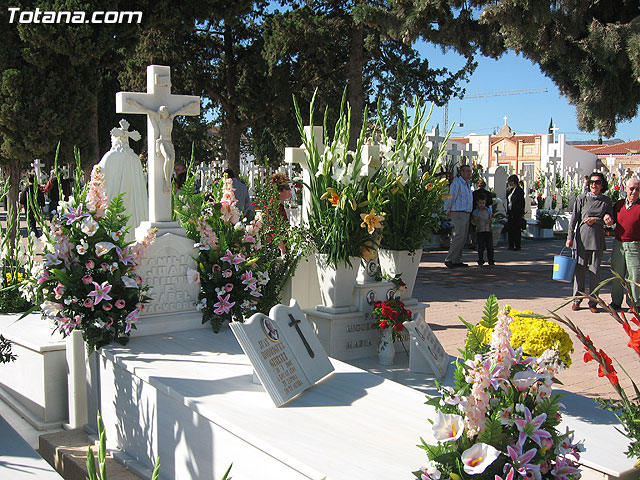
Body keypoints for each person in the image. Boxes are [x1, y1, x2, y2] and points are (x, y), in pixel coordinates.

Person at [125, 98, 198, 193]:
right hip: (162, 141)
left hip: (169, 142)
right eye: (164, 111)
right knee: (168, 158)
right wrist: (134, 103)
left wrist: (191, 105)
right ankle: (167, 182)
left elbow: (181, 110)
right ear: (161, 113)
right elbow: (145, 110)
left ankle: (167, 180)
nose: (166, 112)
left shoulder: (170, 118)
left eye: (166, 110)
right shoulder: (158, 118)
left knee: (171, 160)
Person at [566, 171, 614, 313]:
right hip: (581, 239)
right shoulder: (582, 199)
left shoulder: (606, 201)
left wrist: (597, 220)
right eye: (591, 182)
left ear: (602, 185)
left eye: (597, 182)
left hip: (597, 240)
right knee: (579, 272)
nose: (594, 184)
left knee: (595, 272)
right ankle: (577, 299)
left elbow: (611, 221)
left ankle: (593, 302)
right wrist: (569, 237)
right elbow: (574, 219)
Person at [610, 177, 640, 310]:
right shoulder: (619, 204)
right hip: (619, 244)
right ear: (625, 189)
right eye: (632, 189)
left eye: (638, 189)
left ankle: (635, 304)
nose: (634, 192)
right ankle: (616, 301)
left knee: (634, 275)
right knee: (617, 274)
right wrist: (606, 216)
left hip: (635, 245)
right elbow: (610, 217)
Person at [444, 164, 473, 268]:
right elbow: (451, 197)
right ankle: (450, 259)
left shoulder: (468, 184)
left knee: (463, 237)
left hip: (466, 212)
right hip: (458, 212)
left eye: (470, 171)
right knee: (459, 236)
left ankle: (457, 259)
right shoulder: (457, 183)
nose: (469, 173)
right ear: (462, 172)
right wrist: (448, 209)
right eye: (467, 171)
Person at [472, 194, 494, 266]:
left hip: (488, 230)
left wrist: (490, 221)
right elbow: (473, 221)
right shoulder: (476, 211)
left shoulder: (488, 210)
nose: (482, 204)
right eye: (480, 203)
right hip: (480, 231)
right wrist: (475, 220)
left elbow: (492, 218)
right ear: (477, 203)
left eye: (483, 203)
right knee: (481, 247)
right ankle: (480, 259)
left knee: (490, 246)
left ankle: (491, 260)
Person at [506, 174, 525, 251]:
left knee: (516, 229)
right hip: (511, 212)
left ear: (513, 182)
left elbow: (521, 203)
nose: (509, 183)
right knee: (510, 229)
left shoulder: (519, 191)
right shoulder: (511, 190)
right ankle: (511, 244)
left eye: (510, 181)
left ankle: (517, 245)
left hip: (516, 212)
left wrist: (519, 212)